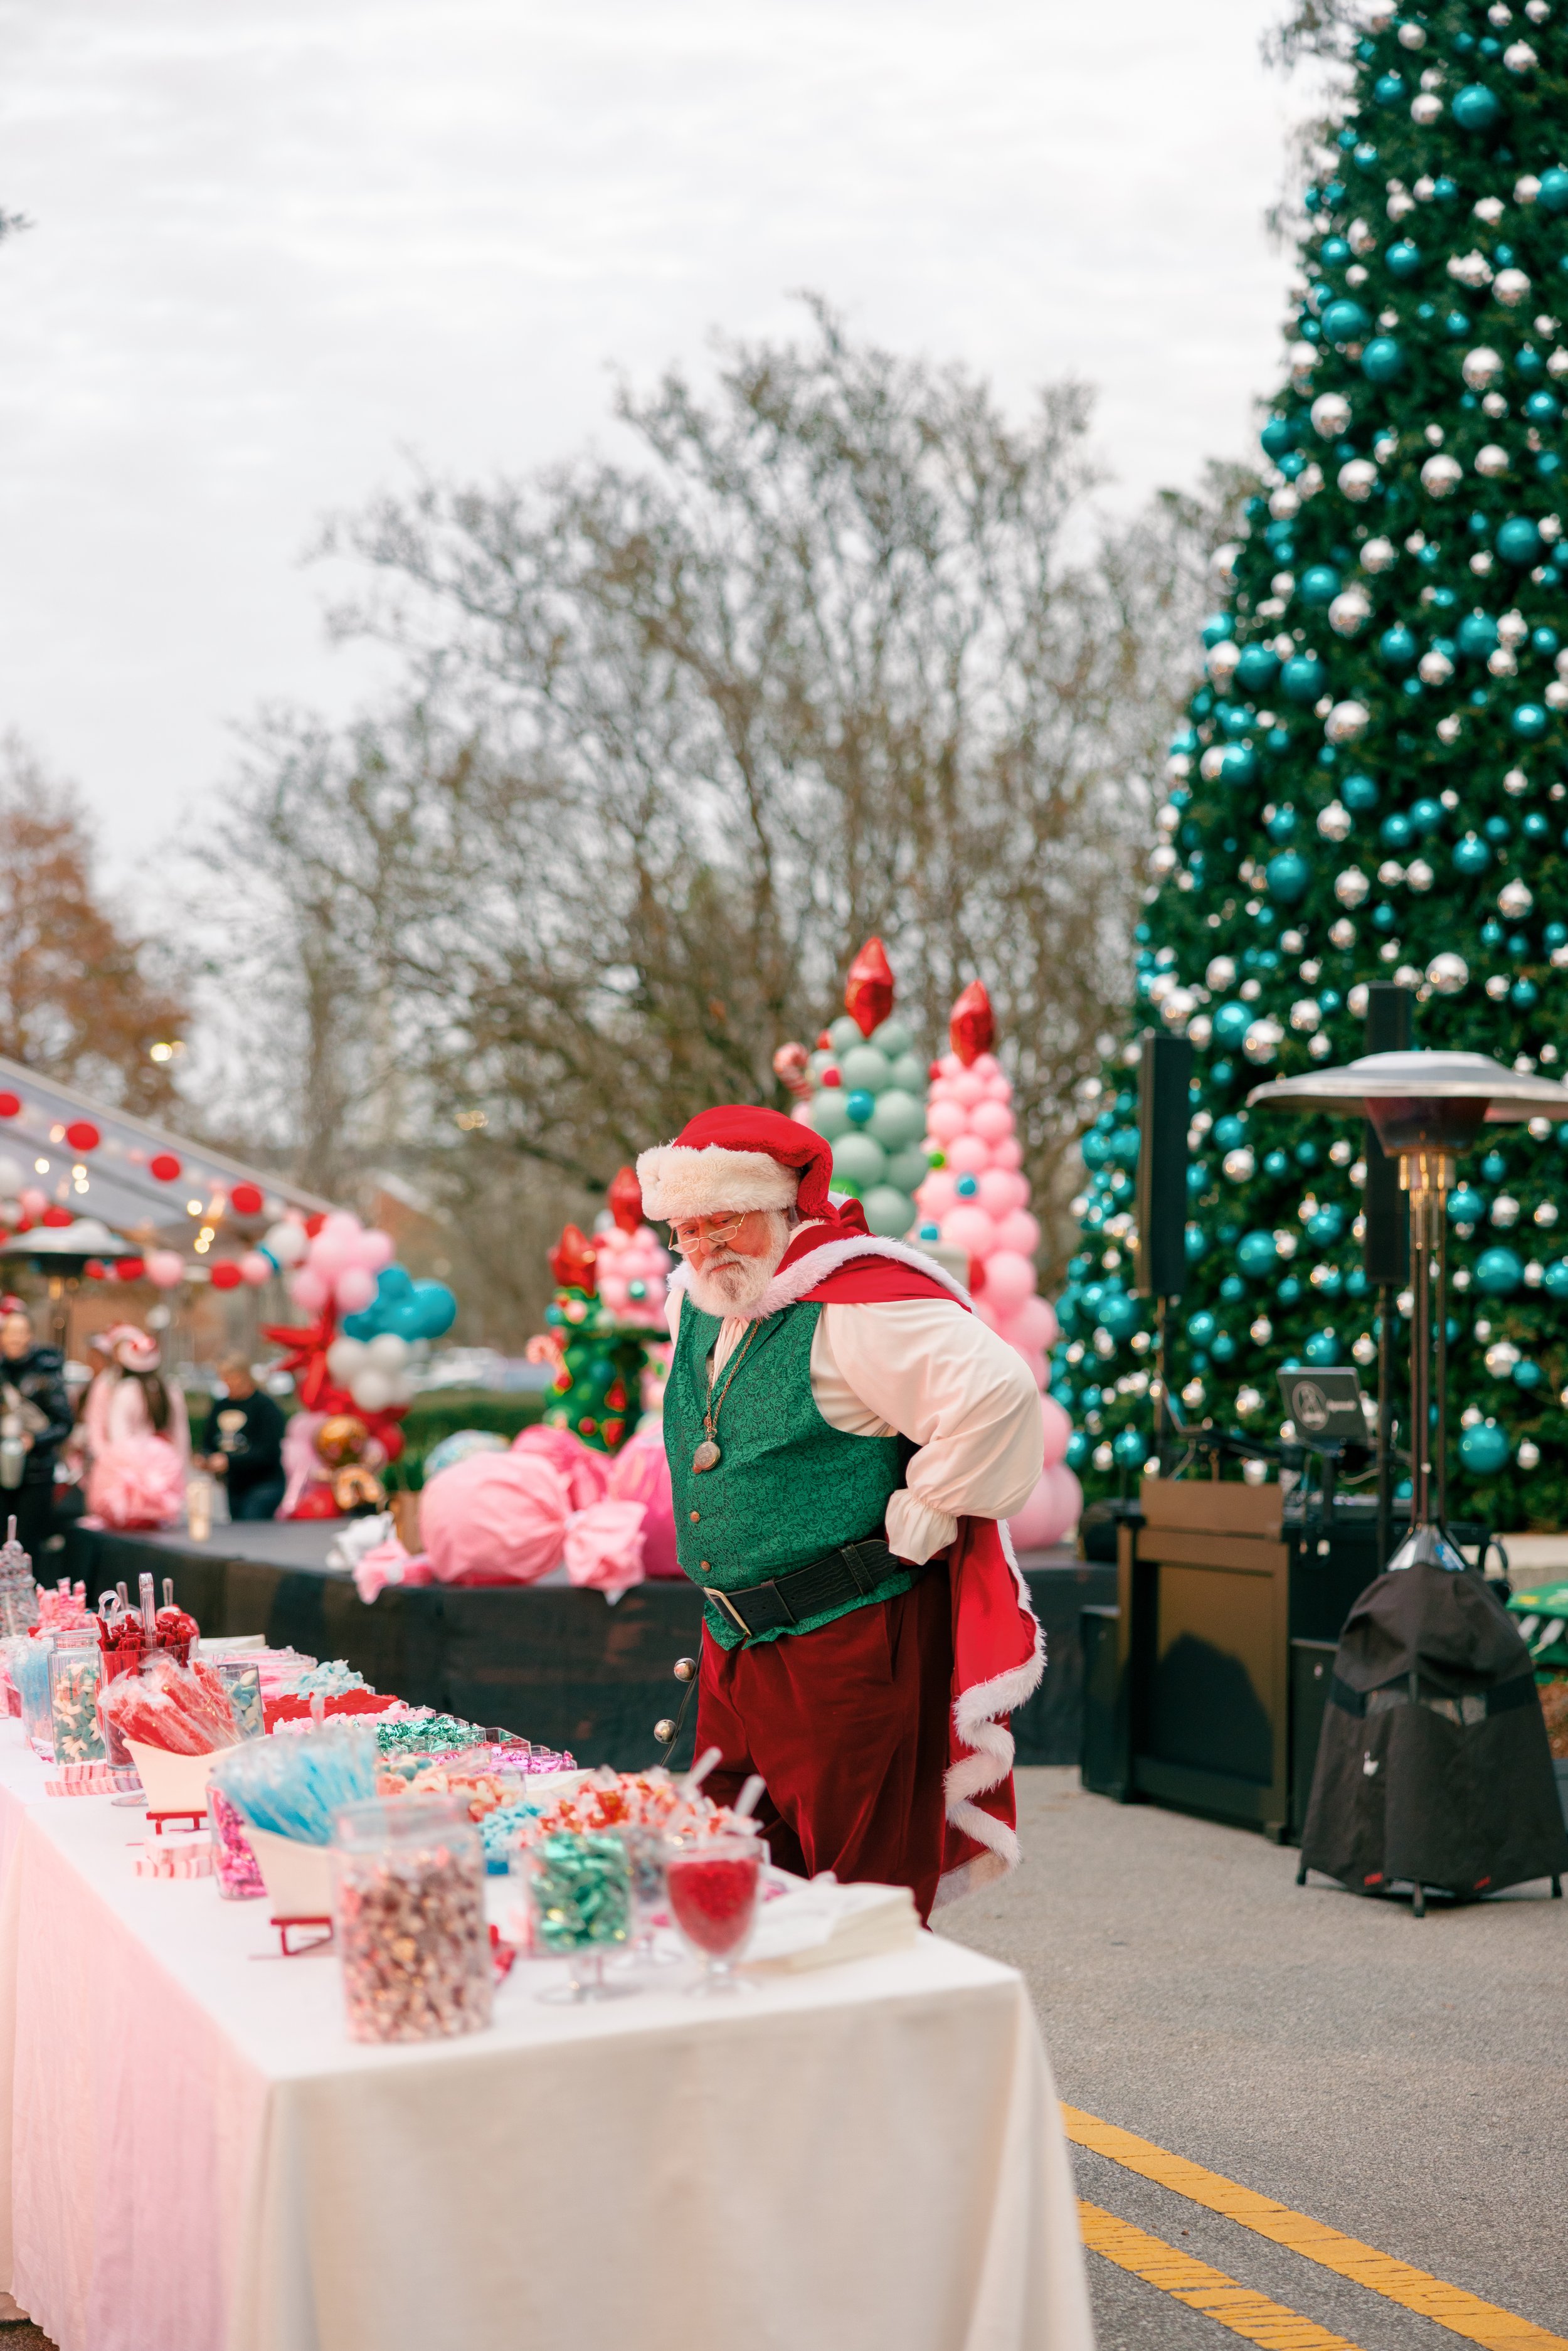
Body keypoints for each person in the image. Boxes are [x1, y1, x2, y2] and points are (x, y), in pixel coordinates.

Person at [637, 1103, 1045, 1922]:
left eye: (727, 1221)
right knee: (728, 1881)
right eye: (689, 1227)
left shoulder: (857, 1301)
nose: (706, 1244)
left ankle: (881, 2050)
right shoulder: (695, 1304)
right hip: (733, 1647)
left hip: (849, 1644)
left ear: (782, 1211)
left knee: (861, 1909)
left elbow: (999, 1391)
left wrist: (934, 1497)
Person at [83, 1325, 191, 1531]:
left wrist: (114, 1472)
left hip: (131, 1480)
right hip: (162, 1476)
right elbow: (181, 1438)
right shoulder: (170, 1390)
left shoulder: (125, 1391)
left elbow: (119, 1441)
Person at [0, 1303, 73, 1567]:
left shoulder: (47, 1373)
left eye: (22, 1332)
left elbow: (64, 1423)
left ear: (30, 1336)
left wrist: (34, 1441)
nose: (16, 1338)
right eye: (10, 1332)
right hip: (2, 1471)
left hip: (36, 1473)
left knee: (29, 1545)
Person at [198, 1355, 286, 1520]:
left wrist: (230, 1461)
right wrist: (206, 1457)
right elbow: (210, 1440)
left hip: (263, 1484)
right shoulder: (221, 1406)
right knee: (238, 1529)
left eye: (232, 1378)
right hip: (235, 1485)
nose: (228, 1383)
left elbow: (268, 1451)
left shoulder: (265, 1407)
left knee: (252, 1526)